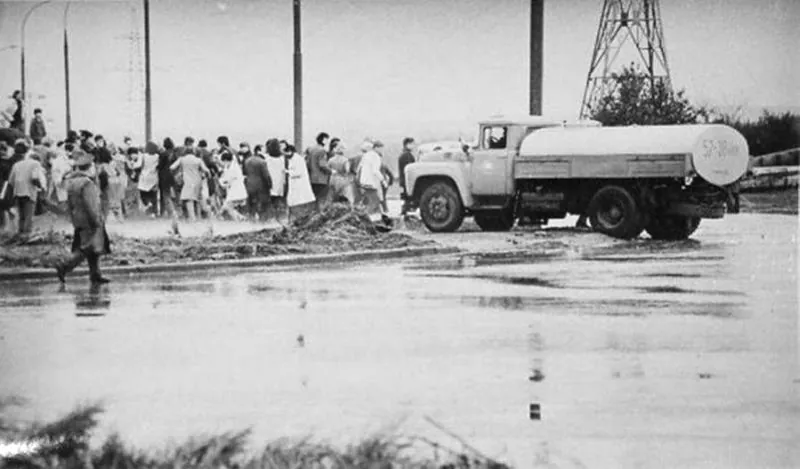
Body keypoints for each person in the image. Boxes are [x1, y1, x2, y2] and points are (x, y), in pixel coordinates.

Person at [55, 149, 111, 284]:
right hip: (90, 220)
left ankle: (95, 274)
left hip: (78, 219)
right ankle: (65, 265)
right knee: (88, 247)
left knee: (94, 248)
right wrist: (97, 220)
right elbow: (91, 204)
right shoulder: (87, 183)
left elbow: (70, 203)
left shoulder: (72, 182)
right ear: (89, 167)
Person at [6, 140, 46, 235]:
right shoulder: (35, 164)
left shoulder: (17, 164)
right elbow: (35, 178)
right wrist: (41, 187)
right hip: (29, 192)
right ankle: (27, 234)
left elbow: (11, 180)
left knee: (21, 214)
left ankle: (20, 232)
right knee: (29, 215)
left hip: (18, 191)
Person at [170, 147, 209, 221]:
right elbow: (206, 170)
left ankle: (192, 217)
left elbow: (172, 167)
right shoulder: (198, 160)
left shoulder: (182, 159)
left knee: (188, 199)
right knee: (197, 199)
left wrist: (176, 174)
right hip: (198, 180)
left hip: (187, 181)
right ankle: (199, 216)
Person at [283, 141, 315, 218]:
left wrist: (287, 172)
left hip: (299, 185)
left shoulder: (298, 159)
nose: (285, 155)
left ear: (290, 152)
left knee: (299, 202)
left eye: (286, 153)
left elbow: (299, 172)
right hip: (295, 184)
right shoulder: (292, 159)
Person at [242, 142, 272, 221]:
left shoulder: (247, 160)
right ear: (259, 151)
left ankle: (251, 221)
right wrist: (270, 185)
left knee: (251, 204)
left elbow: (245, 172)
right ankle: (262, 222)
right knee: (262, 205)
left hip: (249, 184)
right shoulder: (262, 162)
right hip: (260, 186)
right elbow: (266, 175)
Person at [305, 132, 331, 210]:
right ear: (323, 140)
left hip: (311, 178)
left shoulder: (311, 149)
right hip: (321, 179)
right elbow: (322, 165)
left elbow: (307, 163)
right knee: (321, 200)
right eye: (326, 140)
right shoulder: (322, 151)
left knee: (313, 199)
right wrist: (331, 171)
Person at [357, 140, 384, 217]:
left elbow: (359, 169)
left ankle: (379, 219)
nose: (382, 150)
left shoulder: (366, 155)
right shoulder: (375, 156)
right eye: (381, 148)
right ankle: (367, 219)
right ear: (376, 148)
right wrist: (383, 180)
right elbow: (375, 171)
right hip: (371, 182)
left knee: (368, 201)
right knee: (374, 202)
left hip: (364, 182)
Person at [218, 151, 247, 221]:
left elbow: (228, 179)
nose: (223, 163)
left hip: (236, 190)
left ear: (226, 160)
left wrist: (222, 182)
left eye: (223, 161)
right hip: (233, 191)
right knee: (227, 207)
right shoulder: (229, 167)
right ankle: (241, 218)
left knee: (228, 207)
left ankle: (240, 219)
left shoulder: (234, 167)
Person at [135, 142, 160, 216]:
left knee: (143, 193)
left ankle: (148, 203)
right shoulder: (157, 156)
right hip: (154, 176)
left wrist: (133, 165)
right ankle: (154, 213)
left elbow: (138, 165)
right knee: (153, 195)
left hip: (144, 176)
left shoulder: (143, 156)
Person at [327, 138, 355, 205]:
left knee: (332, 198)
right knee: (346, 197)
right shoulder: (345, 160)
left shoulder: (331, 160)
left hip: (332, 179)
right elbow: (347, 171)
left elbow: (328, 169)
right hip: (342, 180)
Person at [265, 138, 287, 222]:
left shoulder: (266, 158)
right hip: (280, 183)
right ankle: (280, 218)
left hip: (270, 183)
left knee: (270, 201)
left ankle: (271, 218)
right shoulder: (283, 158)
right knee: (279, 201)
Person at [157, 137, 177, 217]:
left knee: (164, 194)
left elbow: (160, 166)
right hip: (172, 175)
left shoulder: (163, 154)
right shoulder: (174, 154)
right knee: (172, 194)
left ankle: (166, 212)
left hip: (164, 176)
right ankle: (172, 210)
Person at [398, 137, 416, 216]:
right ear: (407, 144)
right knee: (407, 196)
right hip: (407, 179)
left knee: (406, 197)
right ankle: (404, 212)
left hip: (404, 179)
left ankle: (404, 211)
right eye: (412, 144)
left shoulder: (404, 154)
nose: (414, 146)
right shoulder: (407, 155)